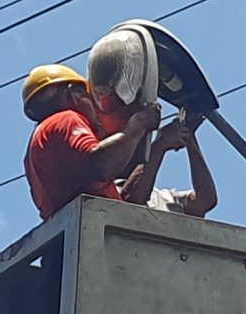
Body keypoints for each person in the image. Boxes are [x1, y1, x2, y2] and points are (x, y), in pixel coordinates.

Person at [19, 62, 217, 221]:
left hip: (82, 238)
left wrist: (169, 142)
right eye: (90, 96)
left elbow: (129, 203)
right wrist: (138, 126)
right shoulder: (64, 119)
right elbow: (101, 164)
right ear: (74, 93)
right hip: (89, 235)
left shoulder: (40, 143)